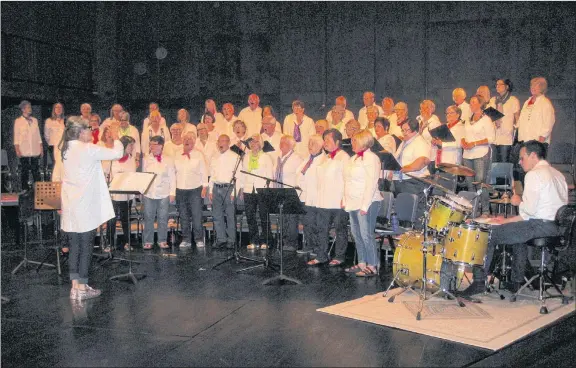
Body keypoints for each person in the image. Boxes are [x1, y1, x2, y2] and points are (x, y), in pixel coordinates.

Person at [460, 140, 568, 296]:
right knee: (516, 236)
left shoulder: (534, 174)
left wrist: (518, 201)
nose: (520, 161)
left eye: (522, 157)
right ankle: (516, 281)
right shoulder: (558, 174)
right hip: (557, 227)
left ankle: (478, 282)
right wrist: (506, 221)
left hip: (538, 226)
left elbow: (528, 212)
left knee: (487, 234)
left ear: (533, 155)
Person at [59, 116, 123, 300]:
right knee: (86, 246)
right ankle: (82, 287)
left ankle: (75, 287)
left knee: (75, 246)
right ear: (81, 132)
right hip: (84, 205)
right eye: (89, 130)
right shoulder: (88, 149)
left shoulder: (65, 148)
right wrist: (116, 136)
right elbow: (117, 153)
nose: (92, 133)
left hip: (71, 204)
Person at [343, 130, 383, 277]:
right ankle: (362, 262)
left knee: (366, 234)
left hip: (368, 202)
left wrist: (365, 205)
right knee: (356, 233)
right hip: (353, 201)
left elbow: (371, 184)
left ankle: (372, 265)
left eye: (354, 141)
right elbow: (347, 180)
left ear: (363, 142)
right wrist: (344, 199)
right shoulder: (353, 158)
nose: (351, 143)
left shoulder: (372, 158)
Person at [312, 129, 349, 266]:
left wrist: (344, 198)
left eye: (328, 139)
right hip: (323, 200)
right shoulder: (325, 157)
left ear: (337, 142)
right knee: (321, 228)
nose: (325, 142)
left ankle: (339, 256)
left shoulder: (344, 157)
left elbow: (347, 179)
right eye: (324, 139)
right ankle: (321, 255)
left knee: (340, 229)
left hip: (338, 200)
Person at [392, 119, 431, 229]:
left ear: (415, 130)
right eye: (402, 130)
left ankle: (416, 236)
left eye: (406, 130)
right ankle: (404, 234)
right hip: (402, 180)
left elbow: (421, 162)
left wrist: (403, 169)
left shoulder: (420, 142)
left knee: (415, 211)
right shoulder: (405, 142)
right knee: (404, 210)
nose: (404, 133)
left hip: (414, 181)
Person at [238, 134, 275, 250]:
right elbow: (243, 174)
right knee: (250, 216)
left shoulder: (266, 157)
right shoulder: (246, 157)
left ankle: (266, 240)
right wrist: (242, 188)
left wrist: (270, 191)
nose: (254, 144)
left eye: (256, 142)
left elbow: (270, 175)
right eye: (252, 142)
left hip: (262, 189)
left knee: (264, 216)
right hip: (249, 189)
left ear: (260, 144)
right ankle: (254, 240)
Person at [462, 94, 496, 217]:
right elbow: (463, 134)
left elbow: (491, 138)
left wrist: (474, 143)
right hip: (467, 155)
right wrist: (464, 143)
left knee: (480, 183)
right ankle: (474, 209)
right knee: (470, 183)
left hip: (480, 154)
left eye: (473, 102)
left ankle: (485, 210)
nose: (471, 104)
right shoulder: (467, 118)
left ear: (481, 104)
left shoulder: (486, 119)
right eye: (470, 102)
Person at [174, 132, 208, 248]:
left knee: (196, 215)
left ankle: (198, 239)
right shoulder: (177, 154)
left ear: (194, 142)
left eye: (190, 139)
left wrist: (204, 187)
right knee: (183, 215)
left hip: (195, 189)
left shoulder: (199, 155)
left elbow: (204, 171)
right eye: (185, 138)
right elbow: (173, 172)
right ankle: (186, 239)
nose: (187, 140)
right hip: (180, 189)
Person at [142, 136, 176, 250]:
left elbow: (172, 177)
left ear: (161, 145)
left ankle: (162, 240)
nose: (152, 147)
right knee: (148, 217)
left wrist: (172, 193)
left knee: (162, 218)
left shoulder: (168, 159)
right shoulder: (146, 158)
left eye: (154, 144)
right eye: (150, 144)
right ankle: (148, 241)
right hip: (149, 193)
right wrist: (142, 190)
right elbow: (144, 175)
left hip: (164, 193)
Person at [105, 136, 138, 252]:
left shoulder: (131, 159)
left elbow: (132, 175)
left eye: (133, 145)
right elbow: (107, 173)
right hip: (114, 194)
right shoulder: (112, 159)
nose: (132, 148)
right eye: (130, 145)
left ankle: (127, 242)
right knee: (112, 220)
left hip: (126, 194)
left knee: (125, 219)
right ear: (123, 146)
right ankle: (110, 243)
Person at [296, 135, 326, 257]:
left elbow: (316, 178)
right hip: (304, 195)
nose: (310, 146)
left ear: (320, 146)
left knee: (314, 224)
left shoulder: (323, 159)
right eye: (309, 143)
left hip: (315, 197)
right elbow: (299, 173)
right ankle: (309, 245)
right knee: (307, 223)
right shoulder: (308, 158)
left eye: (313, 144)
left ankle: (317, 247)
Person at [272, 135, 303, 252]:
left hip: (290, 193)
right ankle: (284, 241)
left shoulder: (297, 158)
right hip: (279, 192)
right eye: (280, 141)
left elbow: (299, 177)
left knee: (291, 219)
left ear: (291, 145)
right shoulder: (279, 157)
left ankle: (292, 243)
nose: (281, 144)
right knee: (283, 219)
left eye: (284, 142)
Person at [209, 134, 238, 249]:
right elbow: (212, 174)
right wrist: (211, 190)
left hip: (228, 187)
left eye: (223, 141)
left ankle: (231, 240)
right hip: (216, 187)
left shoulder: (234, 156)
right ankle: (221, 239)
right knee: (217, 215)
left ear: (228, 143)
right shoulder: (214, 157)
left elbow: (238, 175)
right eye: (219, 141)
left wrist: (233, 192)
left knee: (230, 215)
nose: (221, 144)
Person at [517, 77, 556, 145]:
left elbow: (548, 122)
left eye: (536, 85)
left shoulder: (545, 103)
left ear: (542, 88)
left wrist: (541, 139)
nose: (533, 87)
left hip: (538, 141)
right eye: (532, 85)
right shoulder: (527, 102)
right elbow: (521, 120)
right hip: (524, 140)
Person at [14, 100, 43, 191]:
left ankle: (38, 189)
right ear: (23, 109)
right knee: (24, 170)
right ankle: (25, 189)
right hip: (24, 149)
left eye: (30, 107)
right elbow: (16, 136)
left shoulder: (35, 120)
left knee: (36, 170)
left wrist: (41, 148)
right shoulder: (18, 121)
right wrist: (17, 149)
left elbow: (38, 135)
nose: (30, 109)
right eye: (28, 107)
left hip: (34, 149)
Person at [490, 79, 521, 163]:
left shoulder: (513, 100)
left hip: (506, 137)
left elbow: (517, 118)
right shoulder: (493, 100)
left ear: (507, 86)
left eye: (500, 84)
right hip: (494, 136)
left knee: (503, 163)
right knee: (493, 164)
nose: (497, 86)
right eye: (496, 84)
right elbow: (490, 116)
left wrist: (516, 133)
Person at [417, 100, 442, 174]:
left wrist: (435, 141)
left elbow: (439, 140)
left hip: (431, 156)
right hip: (420, 154)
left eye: (426, 108)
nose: (423, 110)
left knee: (430, 179)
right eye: (422, 108)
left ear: (432, 109)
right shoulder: (419, 120)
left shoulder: (435, 122)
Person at [44, 102, 65, 169]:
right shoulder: (49, 121)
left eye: (60, 107)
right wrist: (51, 143)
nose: (59, 109)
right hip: (53, 145)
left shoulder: (65, 121)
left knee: (63, 164)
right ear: (54, 109)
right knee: (55, 165)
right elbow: (46, 135)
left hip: (64, 146)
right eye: (57, 107)